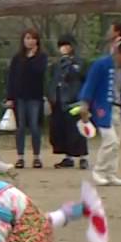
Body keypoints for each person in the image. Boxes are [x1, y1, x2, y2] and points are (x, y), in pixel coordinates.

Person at [80, 41, 121, 187]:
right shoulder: (101, 65)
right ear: (119, 53)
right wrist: (85, 103)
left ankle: (111, 173)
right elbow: (90, 84)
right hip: (102, 106)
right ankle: (99, 171)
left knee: (116, 144)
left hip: (119, 108)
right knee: (110, 140)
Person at [6, 29, 49, 169]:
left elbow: (39, 72)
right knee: (20, 127)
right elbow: (11, 78)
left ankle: (36, 156)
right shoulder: (17, 58)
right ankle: (20, 157)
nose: (30, 41)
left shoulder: (41, 57)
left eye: (32, 38)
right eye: (27, 38)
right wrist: (10, 97)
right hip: (19, 97)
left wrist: (33, 56)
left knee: (35, 127)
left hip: (35, 97)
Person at [48, 35, 87, 169]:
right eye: (61, 45)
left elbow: (79, 76)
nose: (64, 48)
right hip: (59, 100)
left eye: (67, 45)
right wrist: (51, 96)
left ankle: (83, 157)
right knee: (61, 129)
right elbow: (53, 80)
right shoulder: (56, 64)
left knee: (78, 129)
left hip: (74, 99)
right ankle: (68, 157)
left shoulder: (79, 62)